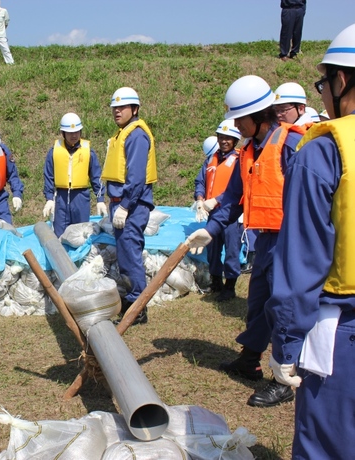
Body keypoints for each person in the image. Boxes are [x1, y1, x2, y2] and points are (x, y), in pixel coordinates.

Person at [186, 75, 305, 408]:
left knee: (283, 307)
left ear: (258, 116)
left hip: (291, 241)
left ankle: (284, 378)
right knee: (258, 304)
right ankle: (249, 359)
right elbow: (233, 197)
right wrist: (211, 228)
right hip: (264, 240)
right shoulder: (249, 151)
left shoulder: (291, 145)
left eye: (240, 119)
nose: (236, 126)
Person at [265, 23, 355, 459]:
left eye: (322, 83)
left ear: (341, 81)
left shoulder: (324, 151)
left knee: (327, 444)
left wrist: (286, 341)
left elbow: (302, 261)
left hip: (342, 330)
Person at [102, 88, 157, 325]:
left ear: (134, 109)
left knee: (131, 254)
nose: (117, 111)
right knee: (125, 255)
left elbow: (136, 178)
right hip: (122, 204)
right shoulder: (123, 133)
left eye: (122, 107)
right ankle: (132, 301)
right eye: (114, 107)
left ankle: (138, 307)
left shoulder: (135, 136)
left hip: (131, 206)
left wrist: (124, 206)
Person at [193, 120, 243, 301]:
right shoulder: (210, 159)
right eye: (221, 137)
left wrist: (217, 200)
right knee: (213, 250)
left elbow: (240, 188)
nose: (224, 141)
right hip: (212, 213)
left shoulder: (239, 161)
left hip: (231, 213)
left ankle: (230, 287)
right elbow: (200, 181)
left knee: (232, 250)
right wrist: (200, 199)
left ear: (235, 140)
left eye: (228, 138)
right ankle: (216, 282)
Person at [42, 113, 106, 238]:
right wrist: (49, 198)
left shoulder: (88, 152)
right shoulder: (54, 152)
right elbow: (48, 176)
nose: (74, 135)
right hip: (61, 197)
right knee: (60, 234)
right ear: (63, 133)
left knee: (81, 234)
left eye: (77, 132)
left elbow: (96, 177)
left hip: (81, 197)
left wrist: (100, 199)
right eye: (70, 132)